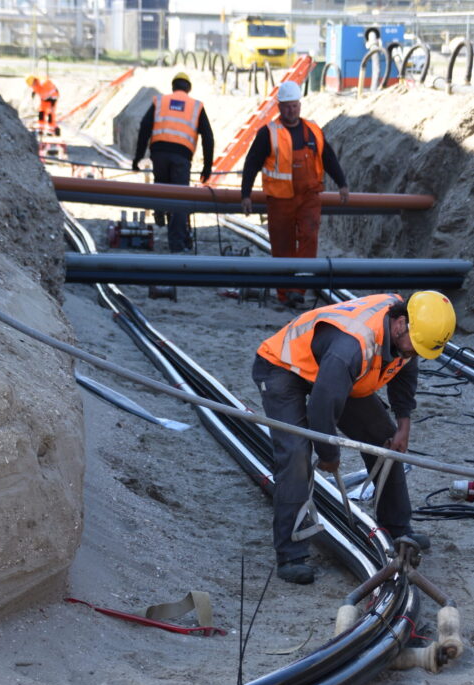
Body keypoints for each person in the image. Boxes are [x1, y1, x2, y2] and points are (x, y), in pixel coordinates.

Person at [251, 291, 457, 584]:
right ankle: (291, 554)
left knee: (385, 441)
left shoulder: (409, 334)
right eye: (416, 346)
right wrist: (329, 455)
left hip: (336, 372)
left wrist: (403, 424)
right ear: (400, 324)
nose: (415, 354)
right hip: (283, 366)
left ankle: (397, 527)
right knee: (296, 455)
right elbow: (322, 409)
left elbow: (405, 371)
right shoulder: (352, 347)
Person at [240, 80, 350, 309]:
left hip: (309, 197)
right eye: (287, 106)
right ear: (279, 107)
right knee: (282, 246)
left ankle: (298, 289)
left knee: (309, 238)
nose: (291, 110)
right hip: (280, 200)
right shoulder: (268, 133)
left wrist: (342, 183)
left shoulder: (313, 131)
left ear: (300, 105)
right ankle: (284, 293)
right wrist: (246, 194)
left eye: (295, 106)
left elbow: (327, 157)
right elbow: (251, 163)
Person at [132, 72, 214, 254]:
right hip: (182, 156)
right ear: (188, 88)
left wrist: (137, 158)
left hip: (159, 153)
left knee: (162, 187)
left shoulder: (160, 102)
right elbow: (208, 137)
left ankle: (160, 209)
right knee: (180, 199)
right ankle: (176, 245)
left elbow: (144, 129)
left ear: (173, 86)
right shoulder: (196, 106)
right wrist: (208, 166)